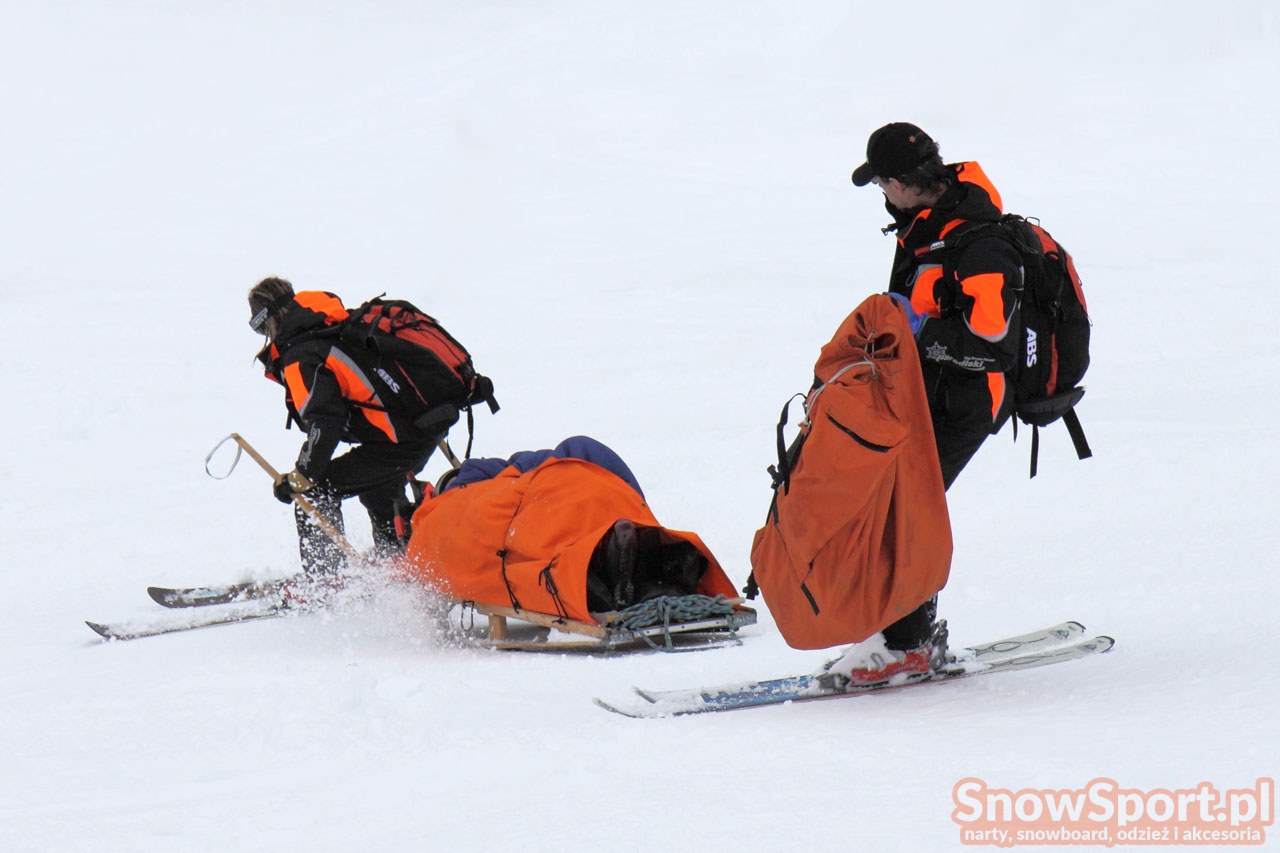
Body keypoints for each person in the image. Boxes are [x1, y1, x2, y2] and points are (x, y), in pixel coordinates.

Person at [828, 122, 1022, 684]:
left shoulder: (978, 240)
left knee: (908, 510)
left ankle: (906, 647)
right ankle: (904, 637)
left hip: (969, 400)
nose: (882, 196)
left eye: (882, 184)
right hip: (926, 394)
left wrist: (919, 335)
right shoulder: (920, 227)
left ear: (902, 181)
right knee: (897, 503)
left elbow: (995, 349)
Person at [247, 277, 446, 580]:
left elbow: (325, 422)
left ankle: (328, 585)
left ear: (268, 320)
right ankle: (396, 558)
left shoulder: (301, 353)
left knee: (314, 493)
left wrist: (301, 477)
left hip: (400, 441)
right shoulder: (334, 327)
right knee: (377, 483)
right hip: (418, 429)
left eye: (260, 327)